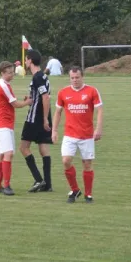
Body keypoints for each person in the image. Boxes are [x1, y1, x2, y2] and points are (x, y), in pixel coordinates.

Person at [52, 66, 103, 204]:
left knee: (87, 164)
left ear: (82, 77)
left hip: (86, 135)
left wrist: (98, 128)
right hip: (70, 134)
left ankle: (88, 194)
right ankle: (75, 189)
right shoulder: (63, 92)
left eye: (77, 77)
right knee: (66, 161)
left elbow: (99, 110)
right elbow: (58, 112)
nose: (74, 80)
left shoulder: (92, 91)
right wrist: (54, 130)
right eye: (72, 78)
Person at [0, 61, 33, 196]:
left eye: (12, 72)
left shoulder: (2, 84)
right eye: (9, 73)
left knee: (3, 153)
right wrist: (27, 102)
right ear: (2, 73)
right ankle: (6, 185)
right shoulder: (4, 86)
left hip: (3, 123)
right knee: (9, 153)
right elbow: (15, 104)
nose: (12, 75)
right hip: (2, 123)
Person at [20, 49, 54, 193]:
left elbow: (45, 97)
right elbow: (41, 97)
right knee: (43, 147)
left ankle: (39, 179)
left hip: (35, 117)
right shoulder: (43, 76)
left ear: (29, 60)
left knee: (23, 147)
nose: (25, 62)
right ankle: (47, 184)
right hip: (43, 115)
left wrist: (44, 119)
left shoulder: (37, 77)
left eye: (26, 59)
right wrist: (29, 100)